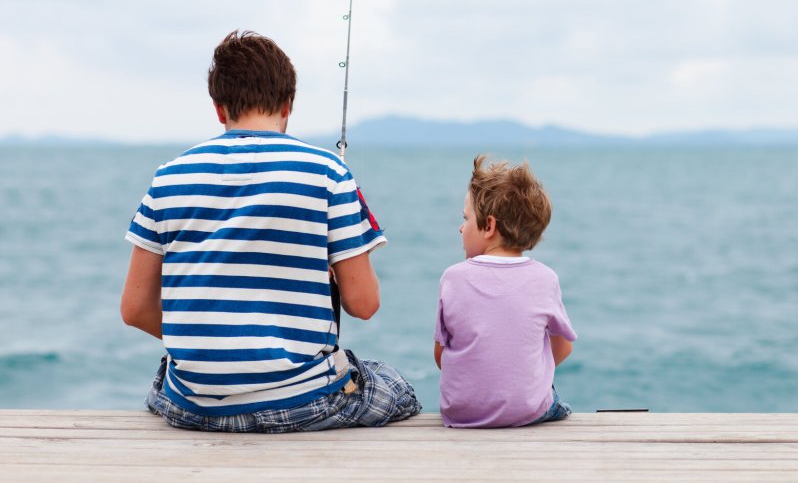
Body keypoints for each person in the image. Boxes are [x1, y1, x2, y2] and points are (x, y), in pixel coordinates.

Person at [120, 30, 420, 433]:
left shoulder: (168, 176)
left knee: (166, 377)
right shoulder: (328, 172)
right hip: (298, 404)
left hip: (191, 406)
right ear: (287, 104)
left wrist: (217, 340)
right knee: (393, 384)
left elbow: (135, 309)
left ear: (218, 108)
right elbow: (364, 304)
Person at [433, 155, 577, 427]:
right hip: (527, 411)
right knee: (554, 399)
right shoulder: (545, 278)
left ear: (489, 226)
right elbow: (563, 348)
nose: (460, 227)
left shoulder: (452, 277)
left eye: (466, 218)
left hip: (461, 412)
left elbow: (441, 357)